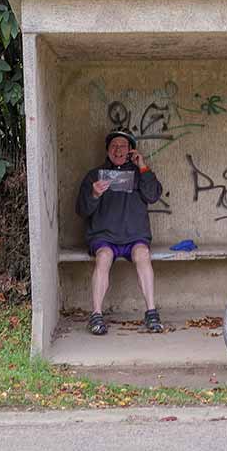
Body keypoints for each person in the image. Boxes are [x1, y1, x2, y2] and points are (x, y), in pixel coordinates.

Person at [76, 130, 164, 336]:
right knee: (104, 257)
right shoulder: (94, 175)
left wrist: (142, 166)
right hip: (104, 236)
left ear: (130, 150)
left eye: (123, 146)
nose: (118, 150)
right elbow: (81, 210)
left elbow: (153, 196)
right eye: (114, 146)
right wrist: (94, 194)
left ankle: (151, 312)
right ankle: (96, 315)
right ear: (107, 150)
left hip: (134, 235)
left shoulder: (139, 174)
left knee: (142, 254)